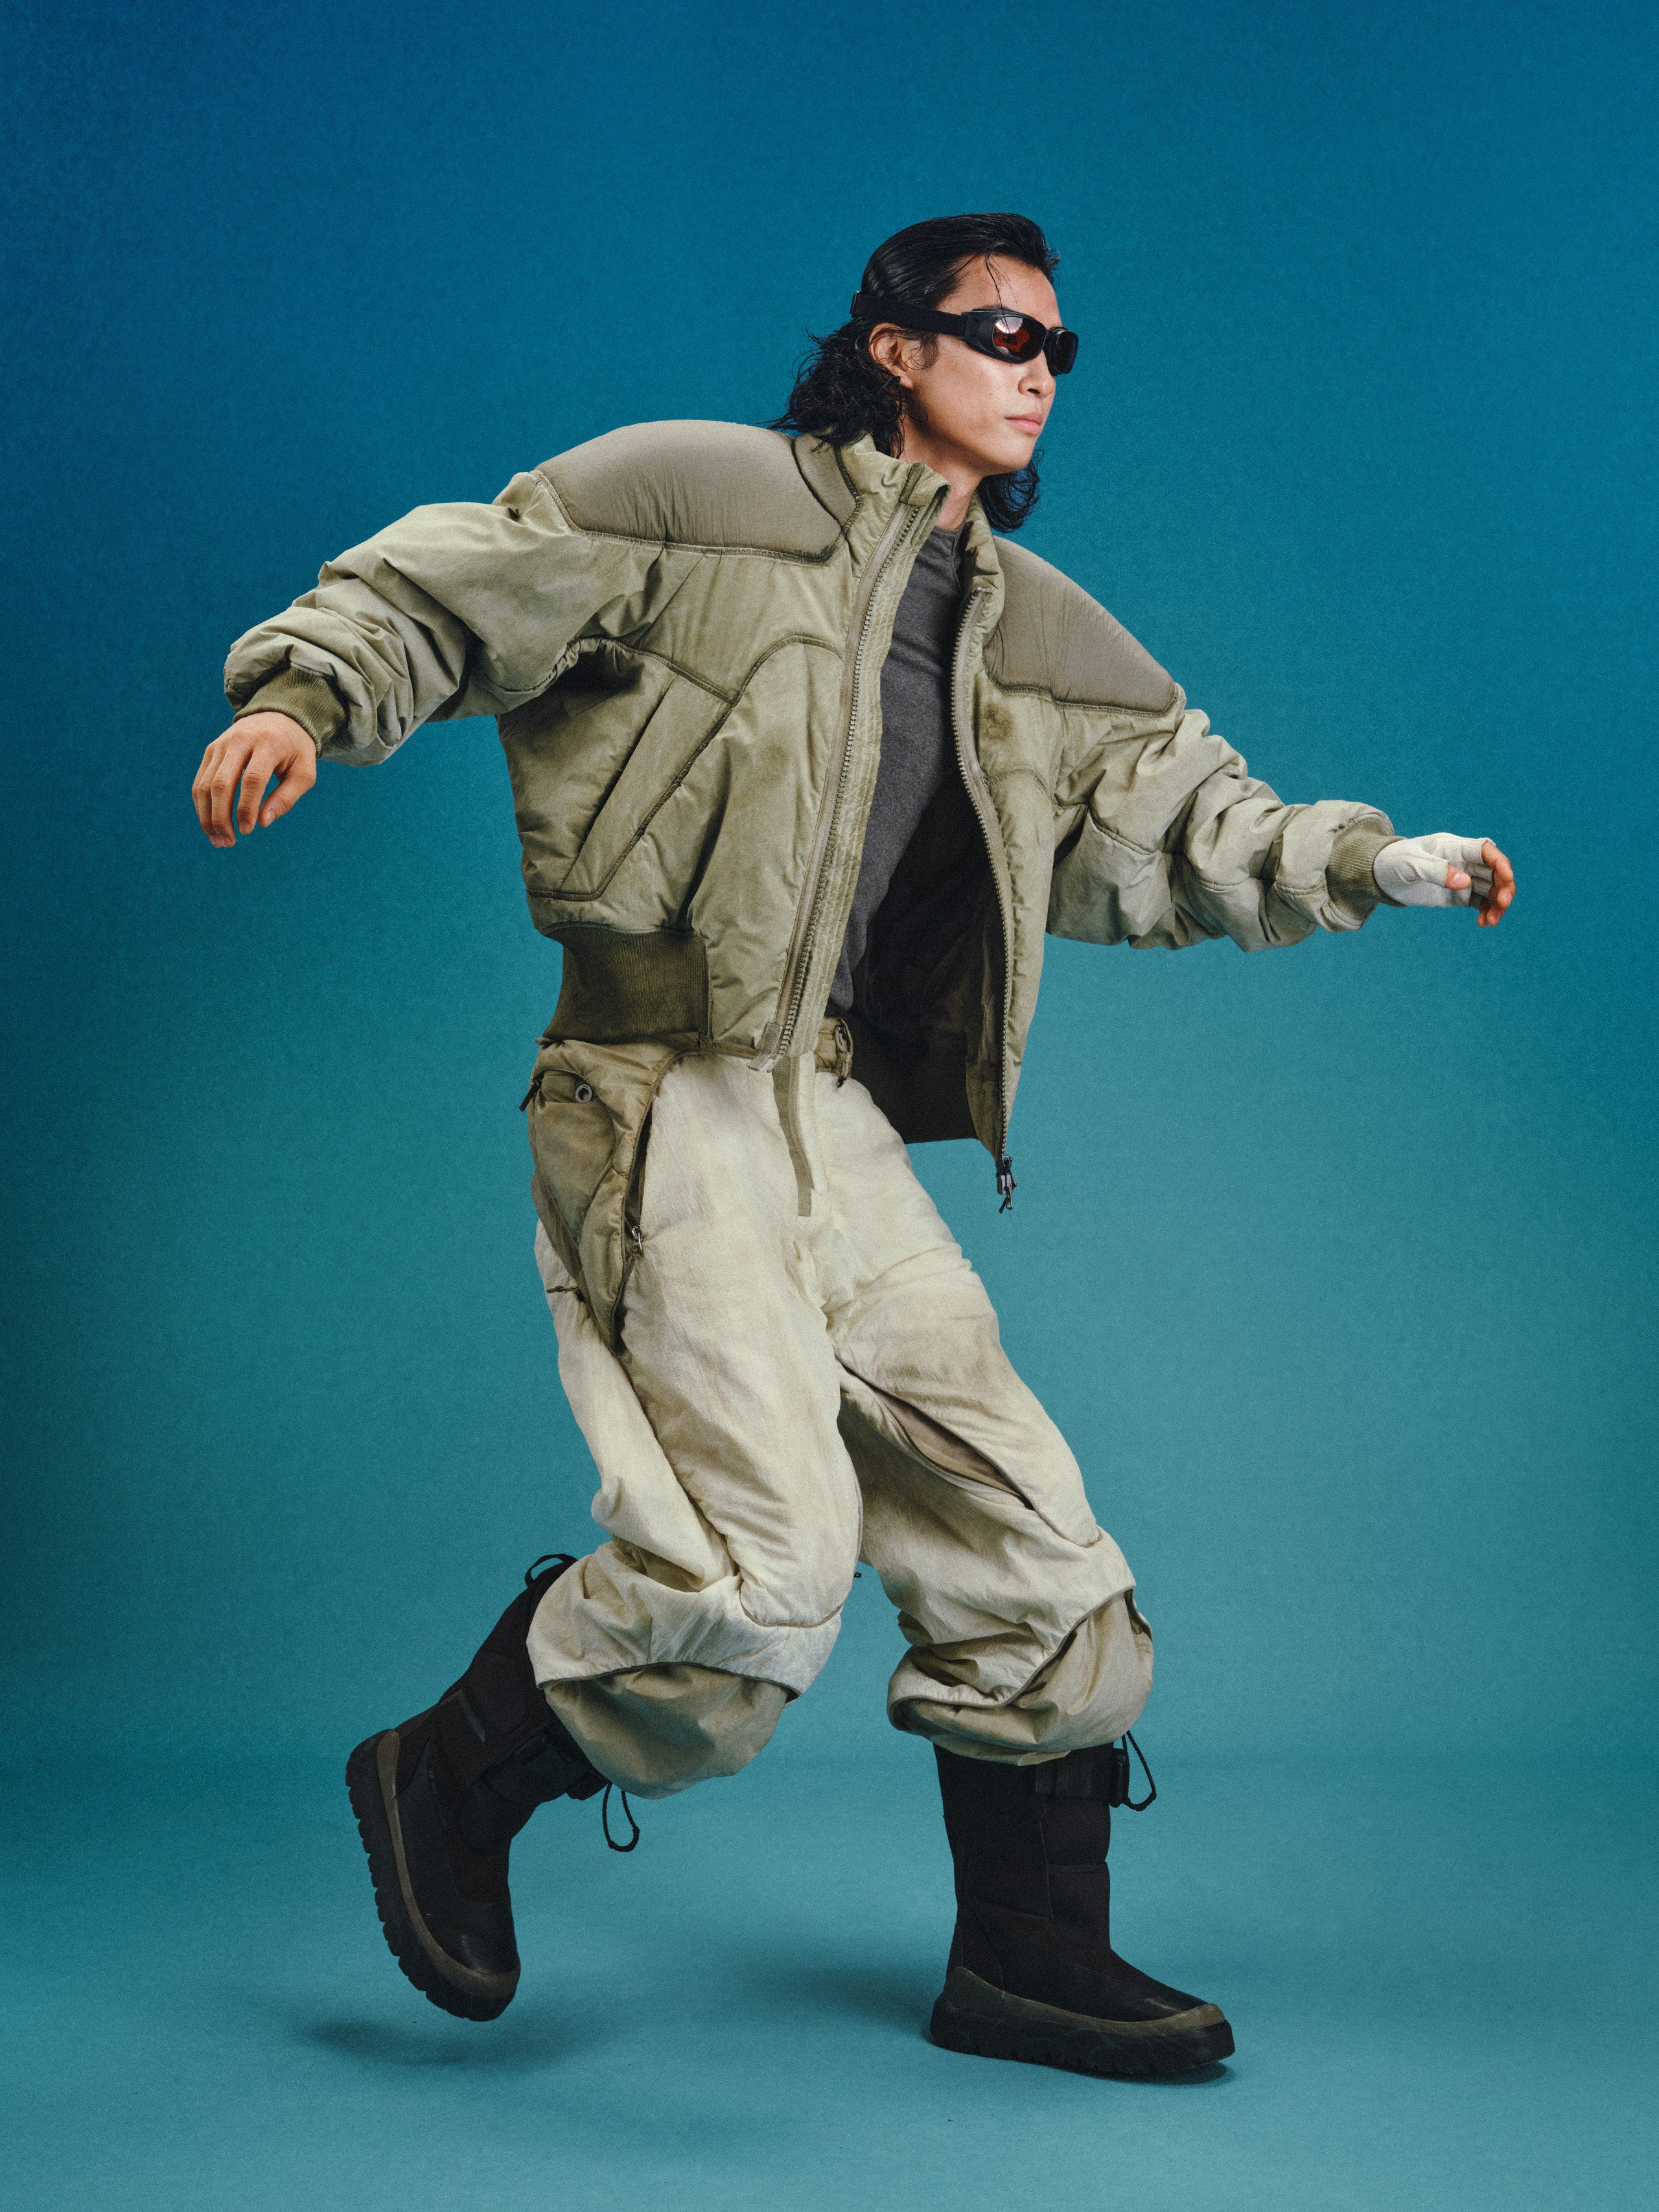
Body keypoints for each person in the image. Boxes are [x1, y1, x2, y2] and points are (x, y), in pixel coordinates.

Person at [192, 213, 1515, 2080]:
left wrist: (1374, 861)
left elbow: (1184, 819)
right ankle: (454, 1768)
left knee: (1036, 1549)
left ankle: (1032, 1956)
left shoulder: (1029, 633)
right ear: (895, 347)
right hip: (661, 1083)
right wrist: (304, 700)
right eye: (1000, 332)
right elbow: (447, 588)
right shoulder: (698, 498)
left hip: (828, 1108)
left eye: (1059, 345)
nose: (1038, 368)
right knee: (761, 1578)